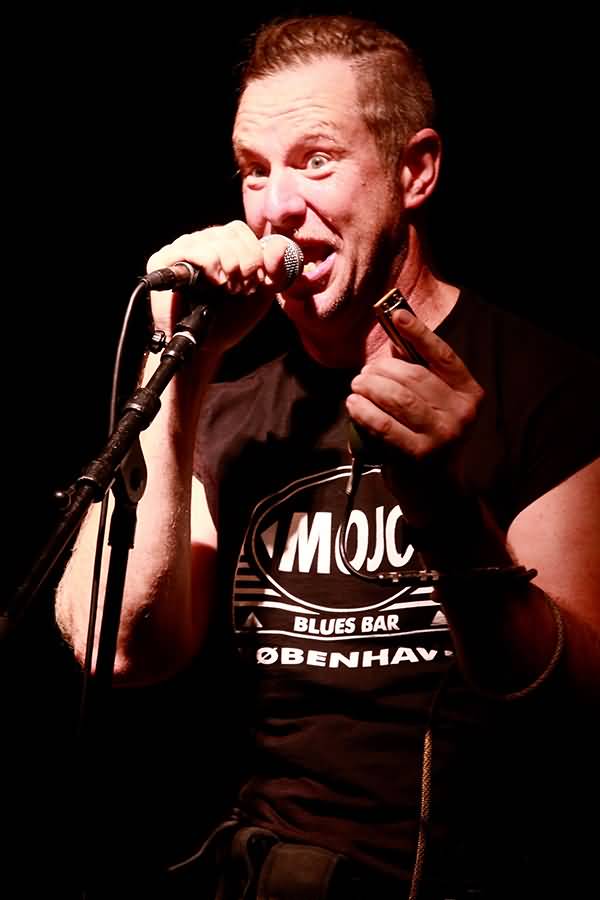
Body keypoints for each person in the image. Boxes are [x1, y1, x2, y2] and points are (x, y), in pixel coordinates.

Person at [55, 14, 600, 900]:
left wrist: (446, 508)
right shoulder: (228, 408)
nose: (274, 206)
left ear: (415, 172)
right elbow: (117, 649)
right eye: (254, 170)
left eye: (316, 160)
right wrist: (178, 367)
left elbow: (568, 699)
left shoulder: (548, 386)